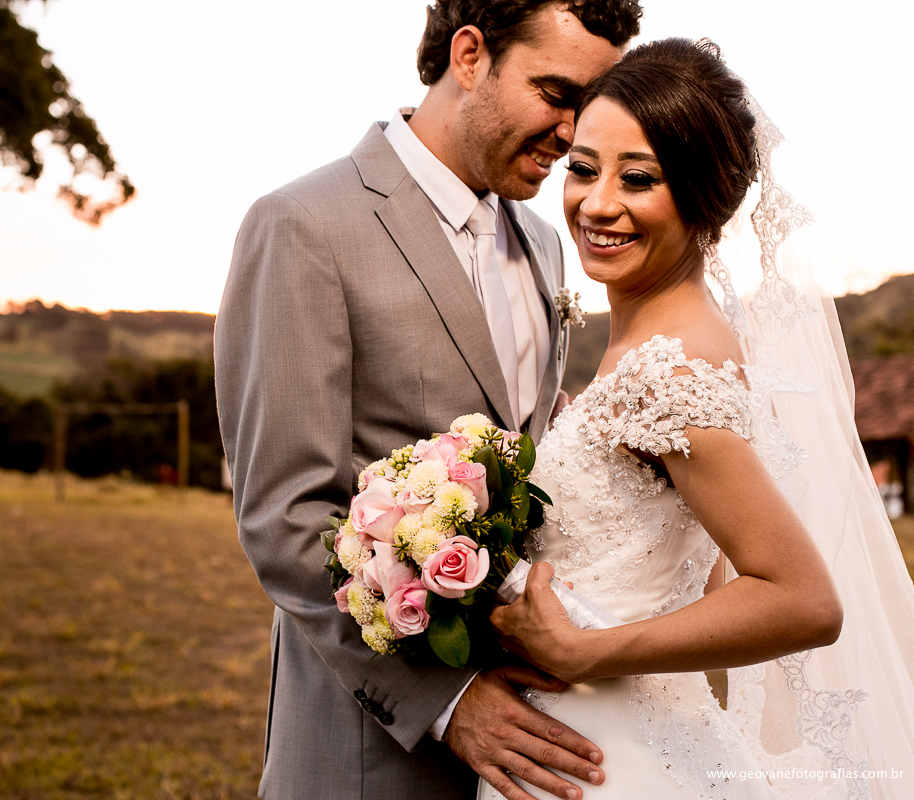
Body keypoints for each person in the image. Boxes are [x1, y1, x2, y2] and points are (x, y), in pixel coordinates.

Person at [215, 1, 642, 798]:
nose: (574, 131)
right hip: (368, 751)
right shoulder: (303, 225)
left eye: (592, 103)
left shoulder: (547, 243)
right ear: (470, 55)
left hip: (534, 735)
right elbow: (284, 515)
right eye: (557, 92)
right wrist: (445, 703)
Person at [486, 38, 914, 799]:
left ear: (704, 197)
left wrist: (591, 650)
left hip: (613, 754)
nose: (596, 203)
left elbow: (804, 600)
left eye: (639, 178)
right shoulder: (662, 340)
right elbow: (694, 564)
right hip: (594, 735)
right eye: (583, 168)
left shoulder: (671, 371)